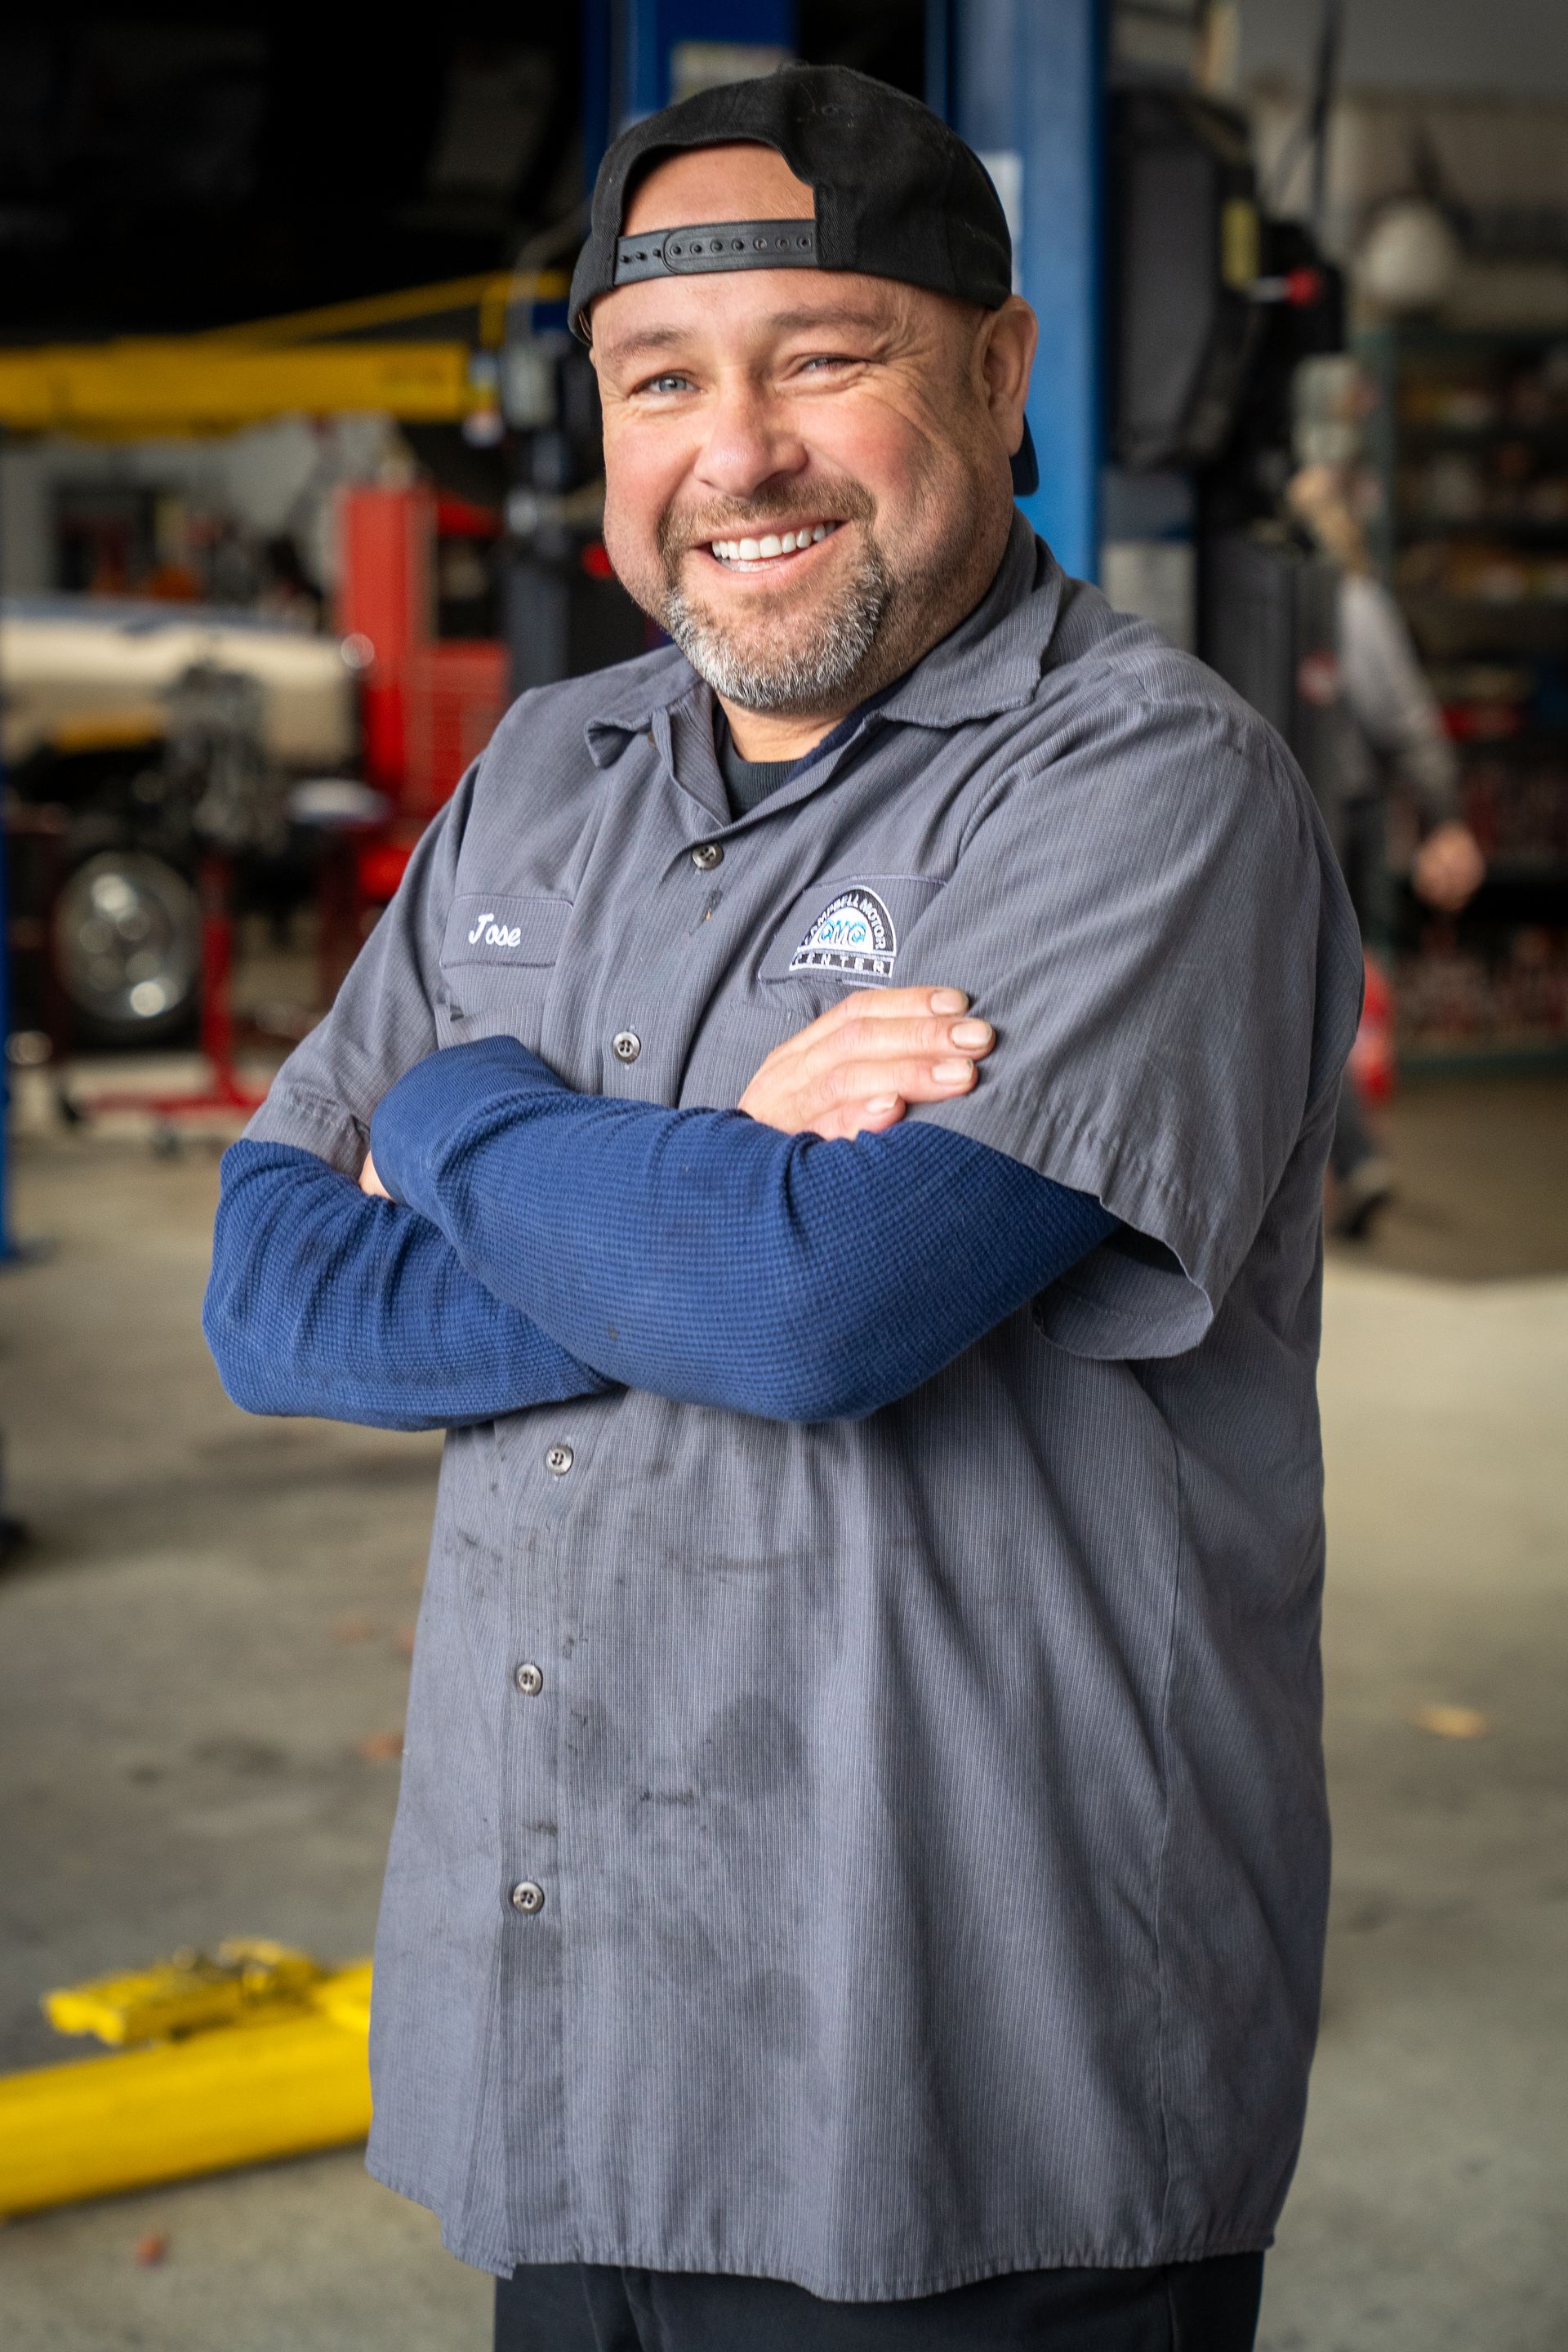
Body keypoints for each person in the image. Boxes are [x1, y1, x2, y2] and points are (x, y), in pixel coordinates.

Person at [205, 65, 1362, 2352]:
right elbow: (270, 1290)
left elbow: (806, 1312)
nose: (736, 455)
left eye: (824, 359)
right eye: (663, 384)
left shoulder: (1150, 789)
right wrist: (711, 1165)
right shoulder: (545, 774)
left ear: (1001, 373)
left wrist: (445, 1107)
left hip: (966, 2112)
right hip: (575, 2060)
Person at [1287, 461, 1486, 1234]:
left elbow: (1404, 722)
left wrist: (1444, 820)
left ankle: (1356, 1155)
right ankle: (1353, 1157)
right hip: (1315, 821)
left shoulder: (1346, 601)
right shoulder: (1338, 597)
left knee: (1306, 997)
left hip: (1336, 826)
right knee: (1304, 996)